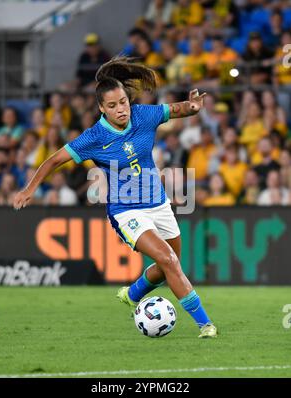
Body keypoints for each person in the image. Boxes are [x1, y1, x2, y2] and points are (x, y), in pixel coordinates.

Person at [13, 57, 217, 339]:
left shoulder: (143, 115)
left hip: (158, 203)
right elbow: (53, 161)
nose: (121, 109)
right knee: (169, 260)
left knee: (167, 266)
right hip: (127, 211)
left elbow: (179, 109)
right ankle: (205, 325)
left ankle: (133, 294)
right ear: (101, 108)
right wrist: (29, 189)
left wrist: (193, 108)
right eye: (112, 106)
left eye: (122, 101)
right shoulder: (93, 137)